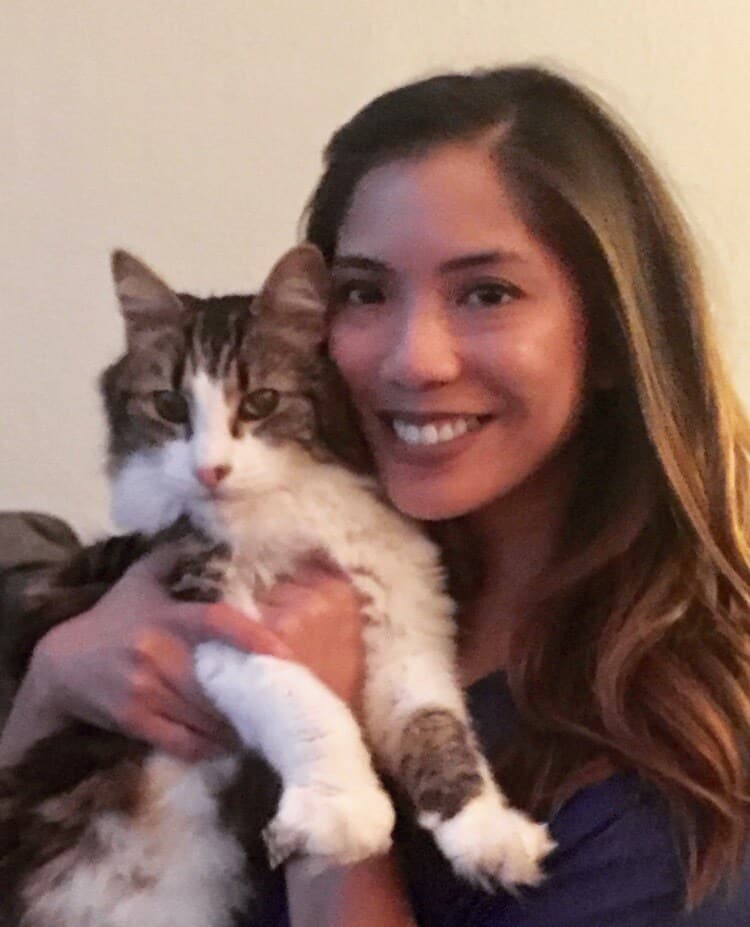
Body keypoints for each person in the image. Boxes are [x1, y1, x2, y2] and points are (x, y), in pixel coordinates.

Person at [1, 65, 749, 926]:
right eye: (364, 292)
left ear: (615, 337)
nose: (413, 359)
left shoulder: (676, 786)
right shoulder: (296, 547)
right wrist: (55, 683)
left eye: (487, 293)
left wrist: (331, 793)